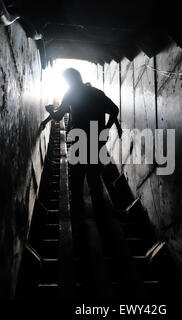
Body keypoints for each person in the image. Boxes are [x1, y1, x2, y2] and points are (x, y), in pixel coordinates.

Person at [40, 68, 123, 232]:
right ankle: (101, 217)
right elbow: (115, 110)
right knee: (94, 175)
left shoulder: (70, 94)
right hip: (95, 139)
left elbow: (58, 117)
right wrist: (107, 128)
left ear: (70, 80)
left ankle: (78, 219)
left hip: (79, 140)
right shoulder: (96, 93)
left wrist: (50, 111)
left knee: (77, 178)